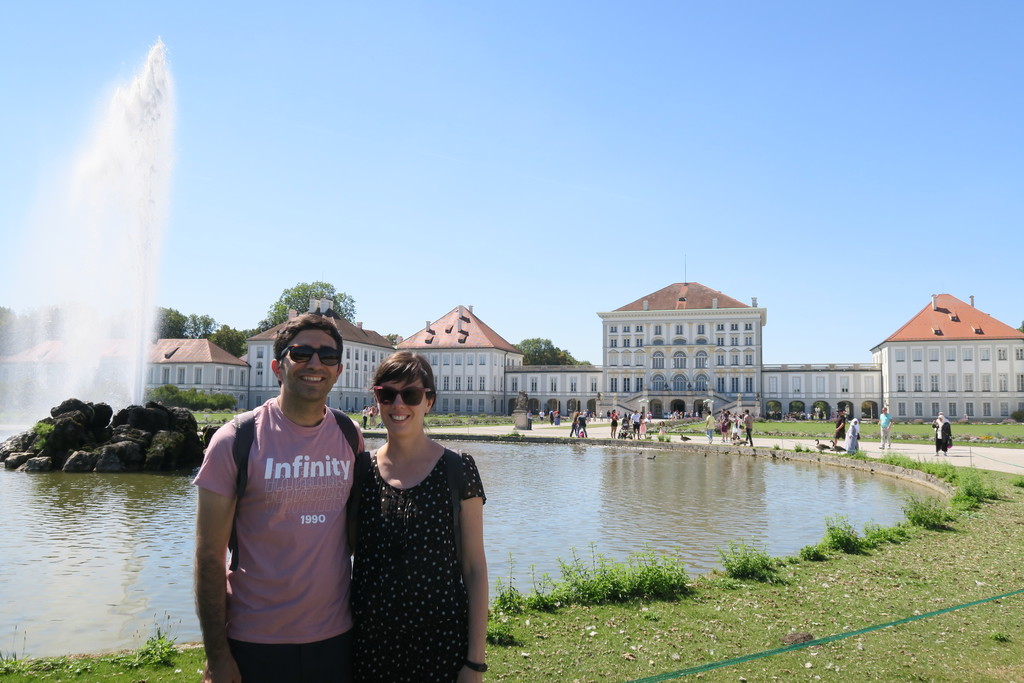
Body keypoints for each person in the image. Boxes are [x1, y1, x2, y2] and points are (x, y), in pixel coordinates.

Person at [194, 313, 360, 683]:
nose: (314, 363)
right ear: (277, 367)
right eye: (300, 353)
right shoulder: (235, 440)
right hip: (254, 641)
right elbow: (209, 556)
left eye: (327, 356)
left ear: (339, 370)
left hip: (336, 639)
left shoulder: (350, 435)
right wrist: (217, 654)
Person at [350, 351, 488, 682]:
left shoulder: (458, 468)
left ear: (429, 401)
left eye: (410, 394)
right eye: (387, 394)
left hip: (440, 646)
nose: (399, 405)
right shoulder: (360, 471)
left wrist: (475, 662)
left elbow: (474, 569)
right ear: (376, 400)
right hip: (369, 647)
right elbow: (345, 551)